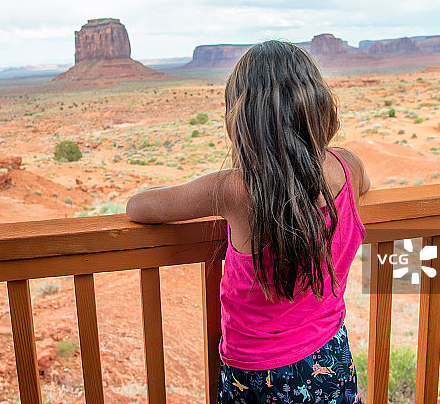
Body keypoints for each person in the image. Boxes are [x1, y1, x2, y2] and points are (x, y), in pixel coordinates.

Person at [126, 40, 370, 403]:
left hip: (256, 373)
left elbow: (138, 207)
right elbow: (364, 187)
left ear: (242, 120)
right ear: (317, 106)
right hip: (328, 354)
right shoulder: (347, 166)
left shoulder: (235, 190)